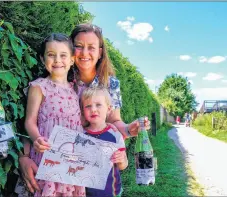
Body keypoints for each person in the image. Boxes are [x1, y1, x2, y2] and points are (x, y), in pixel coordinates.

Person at [18, 23, 150, 194]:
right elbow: (37, 120)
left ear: (100, 52)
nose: (85, 52)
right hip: (57, 166)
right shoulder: (59, 77)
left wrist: (128, 129)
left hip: (94, 170)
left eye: (91, 47)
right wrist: (24, 157)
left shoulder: (110, 84)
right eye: (79, 46)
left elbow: (113, 122)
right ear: (73, 51)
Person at [15, 33, 85, 197]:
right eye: (51, 55)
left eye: (63, 55)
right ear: (42, 58)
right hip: (47, 155)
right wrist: (36, 138)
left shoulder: (78, 90)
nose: (57, 60)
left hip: (72, 159)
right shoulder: (39, 87)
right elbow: (30, 121)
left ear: (72, 60)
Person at [80, 86, 128, 197]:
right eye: (88, 106)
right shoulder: (80, 135)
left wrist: (121, 160)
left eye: (98, 105)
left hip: (111, 192)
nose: (93, 109)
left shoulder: (115, 134)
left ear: (109, 108)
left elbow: (123, 165)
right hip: (86, 193)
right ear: (83, 111)